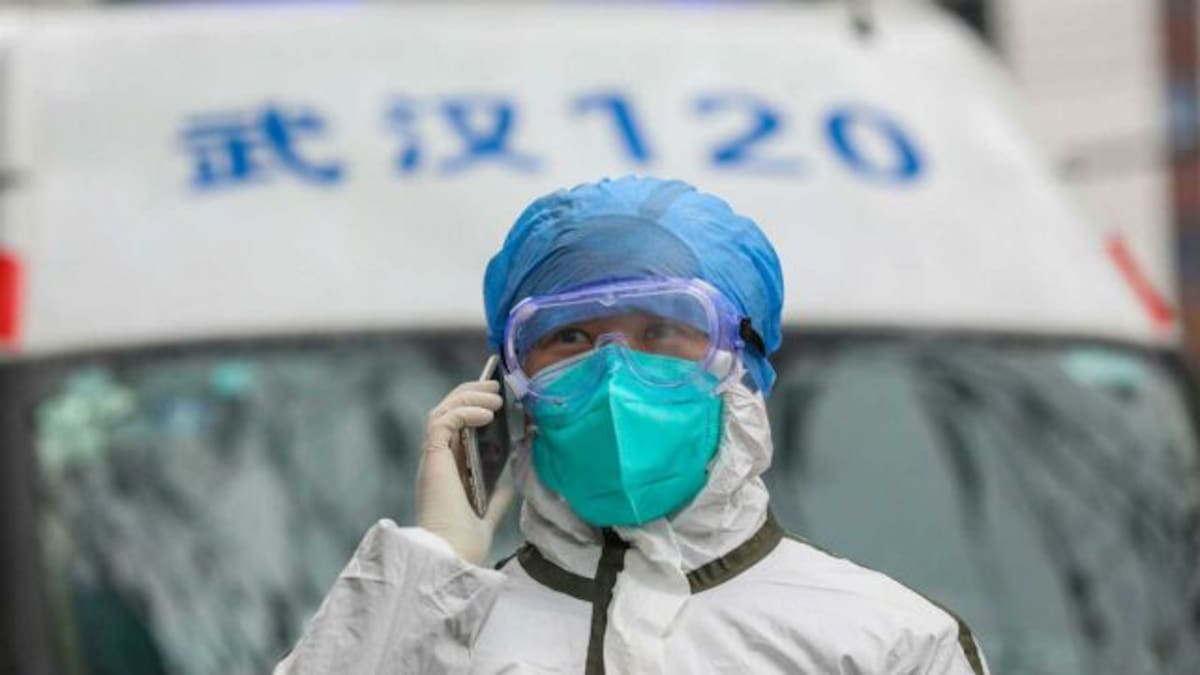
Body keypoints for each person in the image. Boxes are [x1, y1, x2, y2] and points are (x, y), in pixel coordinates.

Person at [275, 176, 990, 674]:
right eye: (571, 339)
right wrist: (430, 567)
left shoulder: (883, 645)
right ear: (509, 384)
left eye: (662, 332)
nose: (615, 375)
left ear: (740, 367)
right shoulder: (439, 635)